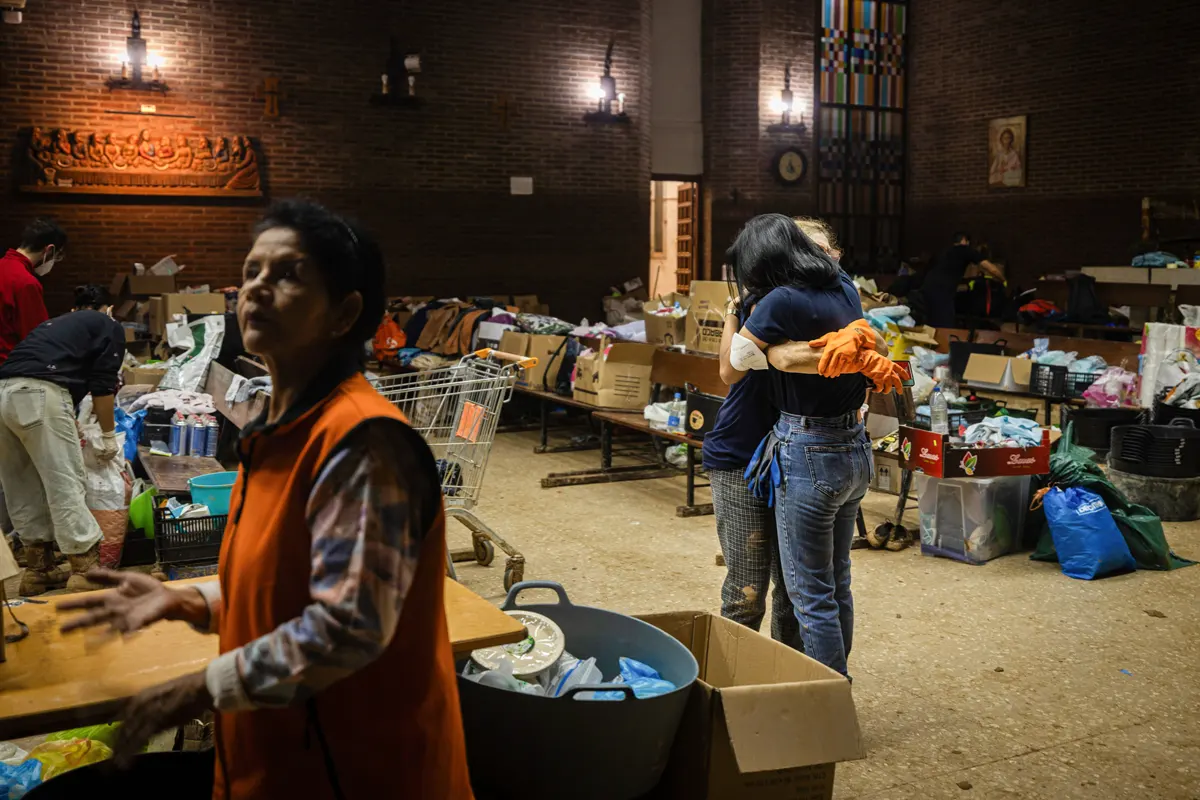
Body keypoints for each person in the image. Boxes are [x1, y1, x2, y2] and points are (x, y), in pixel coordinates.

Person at [59, 199, 473, 799]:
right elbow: (290, 581)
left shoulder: (363, 443)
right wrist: (191, 602)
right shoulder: (279, 432)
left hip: (361, 771)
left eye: (289, 275)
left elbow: (348, 628)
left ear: (344, 313)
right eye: (252, 271)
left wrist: (200, 687)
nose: (256, 289)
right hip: (282, 763)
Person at [724, 214, 901, 678]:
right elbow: (865, 345)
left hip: (807, 451)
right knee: (838, 581)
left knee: (810, 592)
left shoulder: (780, 299)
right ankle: (836, 685)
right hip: (854, 449)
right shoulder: (844, 289)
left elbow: (737, 360)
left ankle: (826, 702)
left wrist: (781, 352)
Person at [706, 217, 862, 650]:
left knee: (795, 593)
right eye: (804, 247)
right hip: (740, 453)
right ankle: (730, 689)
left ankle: (787, 683)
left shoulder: (835, 295)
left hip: (794, 454)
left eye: (822, 248)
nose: (815, 256)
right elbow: (728, 373)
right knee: (747, 589)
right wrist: (735, 313)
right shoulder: (767, 301)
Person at [0, 284, 123, 596]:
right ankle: (85, 570)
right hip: (39, 394)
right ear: (107, 308)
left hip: (3, 395)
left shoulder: (54, 326)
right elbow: (103, 387)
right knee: (64, 480)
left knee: (21, 485)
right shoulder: (109, 325)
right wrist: (108, 435)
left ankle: (38, 571)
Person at [0, 218, 63, 365]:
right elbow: (37, 337)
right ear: (49, 250)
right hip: (9, 369)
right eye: (57, 256)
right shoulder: (25, 282)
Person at [921, 232, 1005, 328]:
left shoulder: (944, 252)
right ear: (964, 240)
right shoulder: (965, 250)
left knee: (932, 321)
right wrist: (1003, 280)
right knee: (945, 322)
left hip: (927, 286)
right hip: (942, 290)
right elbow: (992, 269)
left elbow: (943, 271)